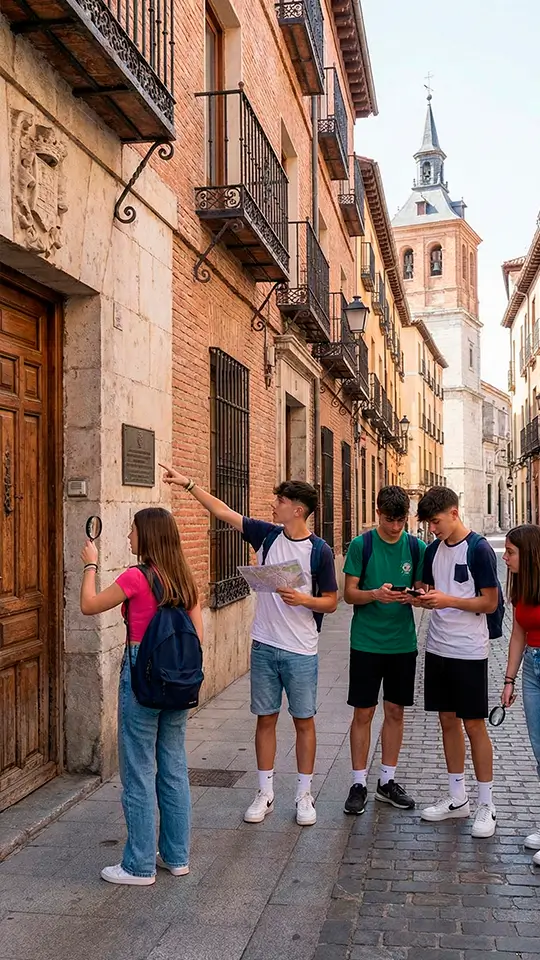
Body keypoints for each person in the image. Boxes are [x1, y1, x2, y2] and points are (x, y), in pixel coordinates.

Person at [160, 464, 338, 826]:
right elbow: (224, 513)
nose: (274, 505)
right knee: (265, 719)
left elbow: (332, 601)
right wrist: (190, 482)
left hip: (301, 650)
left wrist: (304, 600)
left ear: (298, 510)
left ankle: (304, 795)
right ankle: (265, 792)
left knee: (304, 720)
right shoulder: (268, 536)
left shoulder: (320, 551)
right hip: (264, 645)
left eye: (281, 500)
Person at [80, 507, 203, 885]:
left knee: (137, 768)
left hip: (141, 672)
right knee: (173, 765)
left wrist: (90, 565)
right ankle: (176, 855)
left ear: (147, 536)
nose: (130, 537)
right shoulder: (184, 579)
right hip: (179, 676)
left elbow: (88, 605)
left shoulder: (136, 576)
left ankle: (138, 865)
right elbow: (197, 637)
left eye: (133, 531)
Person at [415, 486, 500, 838]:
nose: (432, 529)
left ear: (453, 512)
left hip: (468, 650)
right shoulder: (433, 549)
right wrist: (419, 596)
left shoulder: (479, 549)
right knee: (447, 722)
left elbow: (490, 603)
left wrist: (448, 599)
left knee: (474, 724)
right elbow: (426, 585)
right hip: (437, 647)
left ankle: (487, 804)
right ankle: (457, 798)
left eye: (435, 521)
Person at [342, 486, 426, 816]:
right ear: (378, 513)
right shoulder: (361, 546)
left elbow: (424, 589)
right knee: (363, 712)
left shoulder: (416, 547)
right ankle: (358, 783)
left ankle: (387, 782)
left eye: (401, 520)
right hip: (366, 642)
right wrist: (375, 593)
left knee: (395, 712)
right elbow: (349, 594)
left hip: (402, 643)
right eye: (390, 520)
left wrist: (414, 596)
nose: (395, 527)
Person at [501, 524, 540, 864]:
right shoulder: (520, 586)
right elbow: (517, 634)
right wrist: (509, 679)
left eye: (511, 552)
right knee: (539, 751)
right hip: (531, 670)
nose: (505, 557)